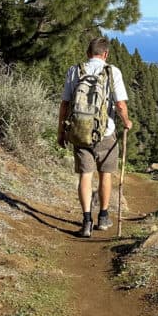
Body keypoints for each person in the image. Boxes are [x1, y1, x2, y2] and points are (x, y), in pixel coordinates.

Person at [58, 36, 133, 238]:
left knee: (85, 176)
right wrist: (126, 121)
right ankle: (103, 216)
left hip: (79, 132)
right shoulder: (111, 71)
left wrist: (61, 133)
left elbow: (65, 104)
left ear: (87, 53)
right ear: (106, 54)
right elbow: (120, 104)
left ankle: (86, 221)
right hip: (105, 133)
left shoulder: (75, 71)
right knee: (105, 175)